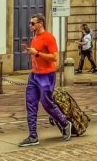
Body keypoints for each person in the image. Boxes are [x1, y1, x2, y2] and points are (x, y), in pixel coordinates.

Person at [18, 14, 71, 147]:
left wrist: (36, 53)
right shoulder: (35, 37)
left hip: (46, 76)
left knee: (47, 104)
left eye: (32, 23)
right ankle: (33, 136)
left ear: (40, 23)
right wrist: (30, 52)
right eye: (30, 23)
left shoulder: (48, 37)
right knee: (30, 105)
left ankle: (65, 123)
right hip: (34, 75)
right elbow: (36, 54)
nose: (30, 25)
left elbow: (54, 58)